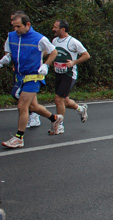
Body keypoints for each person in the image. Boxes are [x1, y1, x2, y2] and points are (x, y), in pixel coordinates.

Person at [1, 12, 62, 148]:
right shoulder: (11, 36)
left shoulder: (39, 38)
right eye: (14, 26)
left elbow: (53, 51)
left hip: (34, 76)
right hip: (20, 76)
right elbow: (9, 53)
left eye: (18, 26)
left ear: (27, 24)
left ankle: (19, 138)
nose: (16, 29)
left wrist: (46, 64)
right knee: (33, 106)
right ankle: (55, 118)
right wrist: (4, 59)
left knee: (22, 106)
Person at [50, 20, 91, 134]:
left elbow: (86, 55)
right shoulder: (54, 40)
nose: (53, 29)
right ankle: (81, 109)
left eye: (55, 27)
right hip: (59, 73)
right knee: (65, 101)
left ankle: (60, 125)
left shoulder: (73, 42)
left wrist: (73, 62)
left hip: (69, 75)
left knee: (59, 99)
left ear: (63, 29)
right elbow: (52, 53)